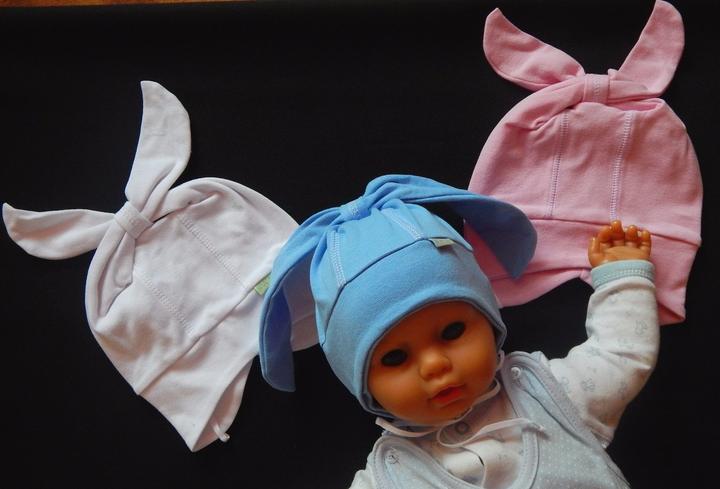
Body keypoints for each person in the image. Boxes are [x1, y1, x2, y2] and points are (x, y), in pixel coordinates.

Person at [257, 175, 657, 489]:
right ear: (363, 386)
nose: (435, 365)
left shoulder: (548, 396)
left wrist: (621, 277)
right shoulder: (391, 479)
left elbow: (620, 355)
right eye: (395, 357)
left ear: (490, 322)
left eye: (451, 332)